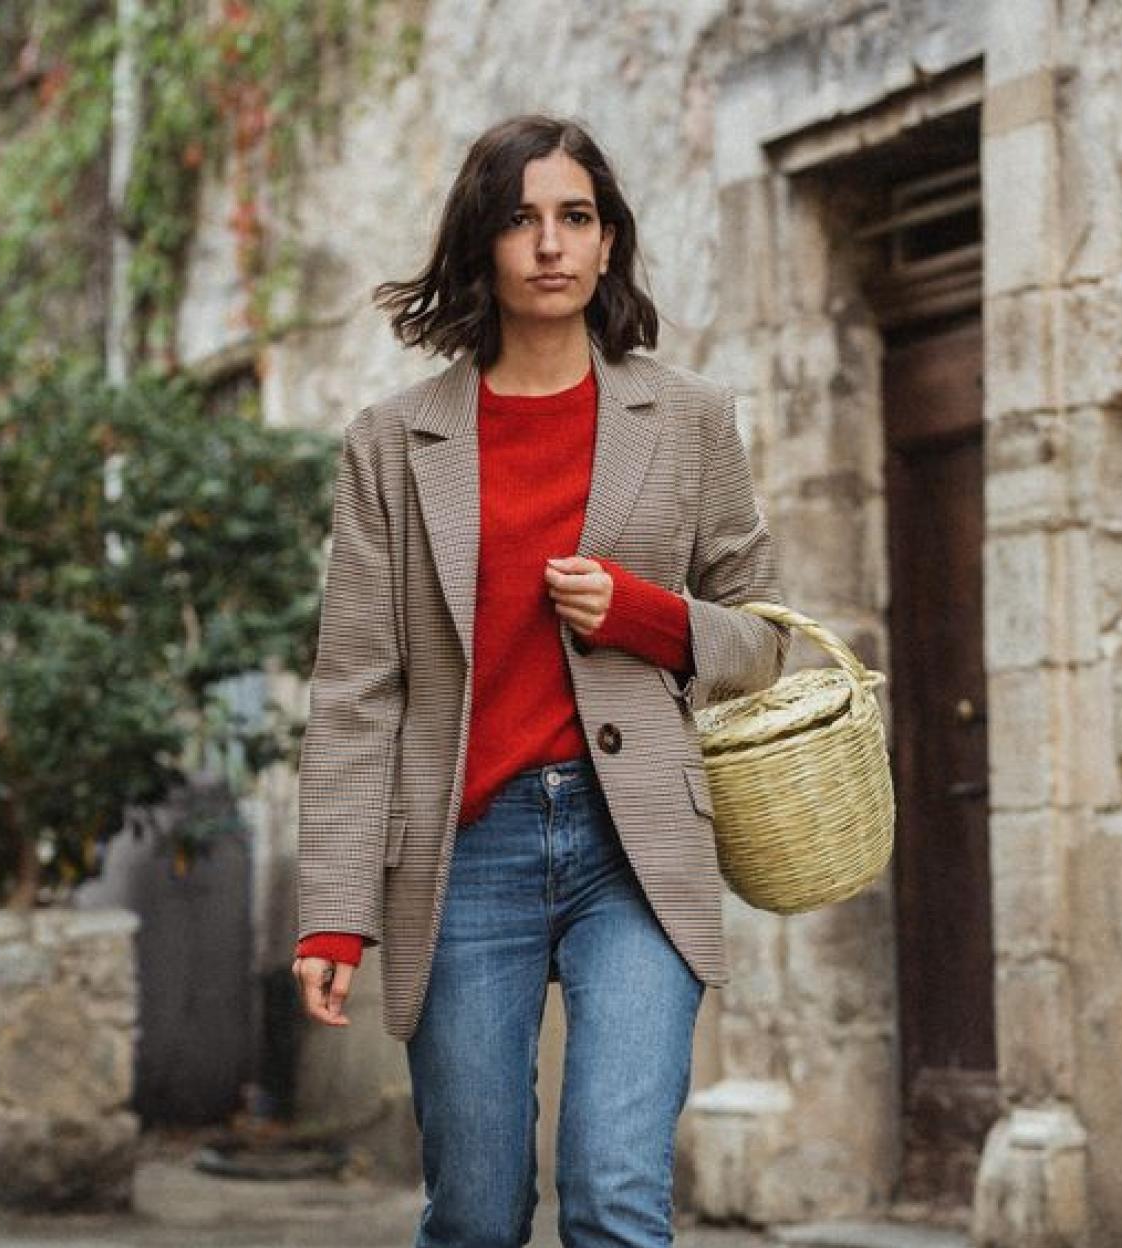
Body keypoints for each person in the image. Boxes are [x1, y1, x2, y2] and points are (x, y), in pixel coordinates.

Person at [291, 113, 789, 1248]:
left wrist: (650, 617)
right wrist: (333, 913)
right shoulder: (392, 442)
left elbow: (772, 638)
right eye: (521, 220)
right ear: (484, 244)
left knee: (617, 1197)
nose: (550, 245)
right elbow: (358, 686)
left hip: (638, 849)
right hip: (467, 850)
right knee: (475, 1212)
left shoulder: (690, 420)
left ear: (609, 243)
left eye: (576, 218)